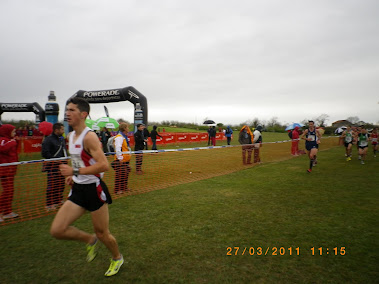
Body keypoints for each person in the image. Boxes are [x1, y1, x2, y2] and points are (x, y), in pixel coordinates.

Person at [50, 97, 123, 277]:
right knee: (57, 230)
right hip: (78, 189)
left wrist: (75, 170)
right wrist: (73, 175)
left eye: (72, 110)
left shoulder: (89, 137)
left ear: (83, 114)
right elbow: (77, 161)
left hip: (94, 190)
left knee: (103, 233)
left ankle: (117, 258)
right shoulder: (70, 136)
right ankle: (90, 240)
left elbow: (104, 165)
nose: (67, 113)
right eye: (67, 110)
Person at [41, 122, 68, 211]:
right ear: (56, 130)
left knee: (60, 184)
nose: (63, 131)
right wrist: (54, 159)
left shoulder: (61, 139)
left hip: (62, 165)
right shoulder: (48, 140)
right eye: (62, 129)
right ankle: (49, 204)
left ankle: (58, 200)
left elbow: (64, 150)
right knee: (52, 184)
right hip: (53, 166)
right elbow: (45, 153)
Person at [0, 124, 19, 221]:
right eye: (13, 131)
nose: (14, 133)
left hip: (11, 170)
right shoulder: (3, 139)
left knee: (10, 191)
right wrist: (12, 142)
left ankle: (7, 211)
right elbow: (2, 148)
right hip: (4, 171)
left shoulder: (11, 140)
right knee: (7, 191)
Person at [111, 123, 131, 194]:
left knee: (125, 173)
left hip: (125, 159)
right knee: (119, 175)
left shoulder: (123, 137)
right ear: (124, 129)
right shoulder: (119, 137)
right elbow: (118, 148)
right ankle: (117, 190)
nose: (128, 129)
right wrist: (120, 158)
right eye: (127, 127)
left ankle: (124, 187)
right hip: (120, 160)